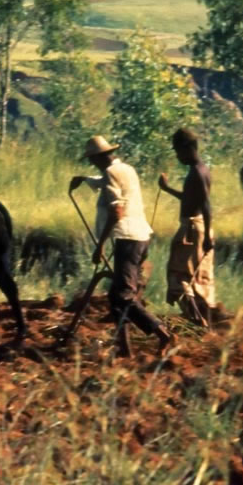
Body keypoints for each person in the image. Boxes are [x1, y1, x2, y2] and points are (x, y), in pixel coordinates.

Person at [70, 136, 174, 354]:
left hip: (128, 239)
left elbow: (117, 211)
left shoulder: (110, 173)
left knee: (123, 296)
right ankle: (124, 348)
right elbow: (106, 182)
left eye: (92, 159)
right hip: (140, 236)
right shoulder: (126, 169)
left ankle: (162, 333)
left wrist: (99, 245)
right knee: (116, 298)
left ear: (99, 157)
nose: (92, 163)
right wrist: (84, 179)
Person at [158, 128, 218, 326]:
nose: (177, 156)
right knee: (195, 277)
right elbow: (190, 199)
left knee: (178, 276)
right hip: (197, 227)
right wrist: (167, 189)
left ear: (188, 148)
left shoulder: (198, 173)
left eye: (177, 151)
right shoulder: (200, 170)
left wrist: (208, 237)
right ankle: (200, 318)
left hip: (192, 228)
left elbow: (207, 205)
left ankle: (196, 320)